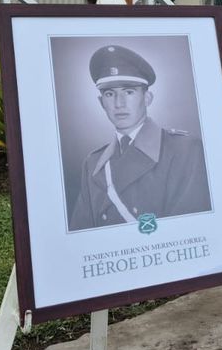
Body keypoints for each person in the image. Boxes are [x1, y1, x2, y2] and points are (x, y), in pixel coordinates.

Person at [67, 44, 210, 232]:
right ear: (101, 103)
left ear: (148, 98)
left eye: (129, 92)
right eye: (110, 94)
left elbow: (188, 231)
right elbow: (81, 234)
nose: (119, 103)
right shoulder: (93, 163)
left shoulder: (185, 150)